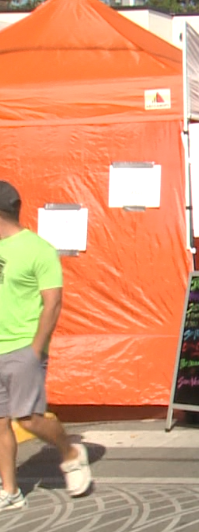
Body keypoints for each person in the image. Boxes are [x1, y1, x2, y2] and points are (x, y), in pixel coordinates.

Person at [0, 180, 92, 510]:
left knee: (28, 419)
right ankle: (10, 491)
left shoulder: (38, 249)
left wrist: (35, 349)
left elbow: (52, 302)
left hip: (23, 346)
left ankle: (69, 451)